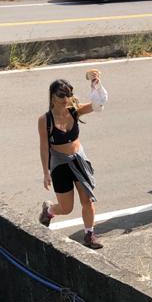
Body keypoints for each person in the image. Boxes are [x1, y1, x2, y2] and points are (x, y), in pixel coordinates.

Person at [38, 71, 108, 248]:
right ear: (52, 97)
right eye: (61, 95)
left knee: (87, 200)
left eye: (68, 94)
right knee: (66, 208)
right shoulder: (45, 120)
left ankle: (89, 235)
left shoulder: (74, 110)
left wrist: (96, 85)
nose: (65, 99)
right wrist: (46, 173)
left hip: (78, 160)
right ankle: (49, 210)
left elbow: (98, 104)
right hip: (60, 164)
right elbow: (44, 147)